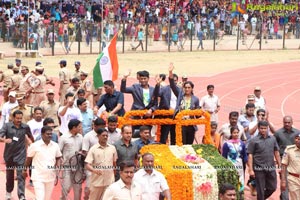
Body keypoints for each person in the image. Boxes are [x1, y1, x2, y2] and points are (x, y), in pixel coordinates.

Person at [0, 110, 34, 200]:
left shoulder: (25, 127)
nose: (19, 120)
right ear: (13, 118)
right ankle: (8, 192)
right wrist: (4, 140)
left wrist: (33, 144)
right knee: (10, 176)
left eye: (20, 118)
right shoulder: (7, 126)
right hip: (9, 156)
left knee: (21, 175)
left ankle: (21, 195)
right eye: (17, 118)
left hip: (21, 156)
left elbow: (31, 136)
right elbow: (0, 136)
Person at [23, 126, 62, 200]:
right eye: (48, 134)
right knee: (40, 198)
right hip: (38, 177)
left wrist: (58, 166)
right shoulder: (35, 145)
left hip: (51, 177)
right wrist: (24, 170)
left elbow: (58, 157)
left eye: (51, 134)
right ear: (42, 134)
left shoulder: (55, 146)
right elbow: (28, 159)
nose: (50, 136)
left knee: (47, 198)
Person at [247, 120, 281, 200]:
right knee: (260, 190)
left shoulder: (272, 139)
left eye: (265, 128)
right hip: (259, 169)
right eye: (261, 128)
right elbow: (250, 155)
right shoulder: (253, 140)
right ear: (258, 128)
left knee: (272, 187)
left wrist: (279, 163)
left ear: (267, 128)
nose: (263, 130)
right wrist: (251, 170)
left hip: (271, 168)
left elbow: (276, 151)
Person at [169, 64, 200, 144]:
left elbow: (197, 114)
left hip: (191, 124)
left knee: (189, 144)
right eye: (185, 87)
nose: (187, 89)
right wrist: (170, 72)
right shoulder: (180, 95)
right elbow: (172, 85)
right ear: (183, 88)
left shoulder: (195, 99)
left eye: (189, 87)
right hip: (181, 123)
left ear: (192, 88)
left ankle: (189, 157)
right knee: (182, 144)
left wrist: (199, 112)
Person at [85, 128, 118, 200]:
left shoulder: (112, 148)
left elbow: (114, 163)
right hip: (96, 182)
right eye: (103, 135)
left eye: (106, 135)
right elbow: (87, 165)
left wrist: (113, 175)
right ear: (98, 136)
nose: (105, 137)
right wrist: (94, 170)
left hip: (109, 182)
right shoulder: (93, 149)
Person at [275, 116, 300, 200]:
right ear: (283, 122)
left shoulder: (297, 132)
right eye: (285, 122)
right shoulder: (278, 133)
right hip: (283, 160)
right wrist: (278, 163)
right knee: (284, 183)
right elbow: (275, 149)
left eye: (289, 122)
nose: (287, 124)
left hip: (295, 160)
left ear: (292, 122)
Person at [82, 117, 106, 200]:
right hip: (91, 166)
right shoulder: (88, 136)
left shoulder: (105, 135)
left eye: (103, 126)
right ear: (94, 126)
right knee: (89, 188)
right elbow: (84, 152)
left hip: (104, 166)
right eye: (100, 127)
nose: (102, 128)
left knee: (103, 189)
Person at [59, 119, 83, 200]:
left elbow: (83, 150)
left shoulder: (80, 137)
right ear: (74, 128)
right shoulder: (63, 138)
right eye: (79, 127)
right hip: (67, 167)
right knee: (66, 187)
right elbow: (59, 152)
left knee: (78, 189)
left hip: (78, 167)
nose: (81, 128)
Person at [222, 126, 248, 195]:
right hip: (230, 165)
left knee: (240, 179)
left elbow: (244, 155)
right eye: (234, 133)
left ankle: (240, 194)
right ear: (231, 133)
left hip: (240, 165)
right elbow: (224, 157)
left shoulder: (242, 143)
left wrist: (246, 163)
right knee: (231, 179)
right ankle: (230, 194)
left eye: (237, 133)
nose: (236, 134)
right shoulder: (226, 144)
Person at [281, 133, 300, 200]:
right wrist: (283, 181)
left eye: (299, 139)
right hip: (293, 179)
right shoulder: (289, 150)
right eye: (296, 138)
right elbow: (284, 165)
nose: (298, 140)